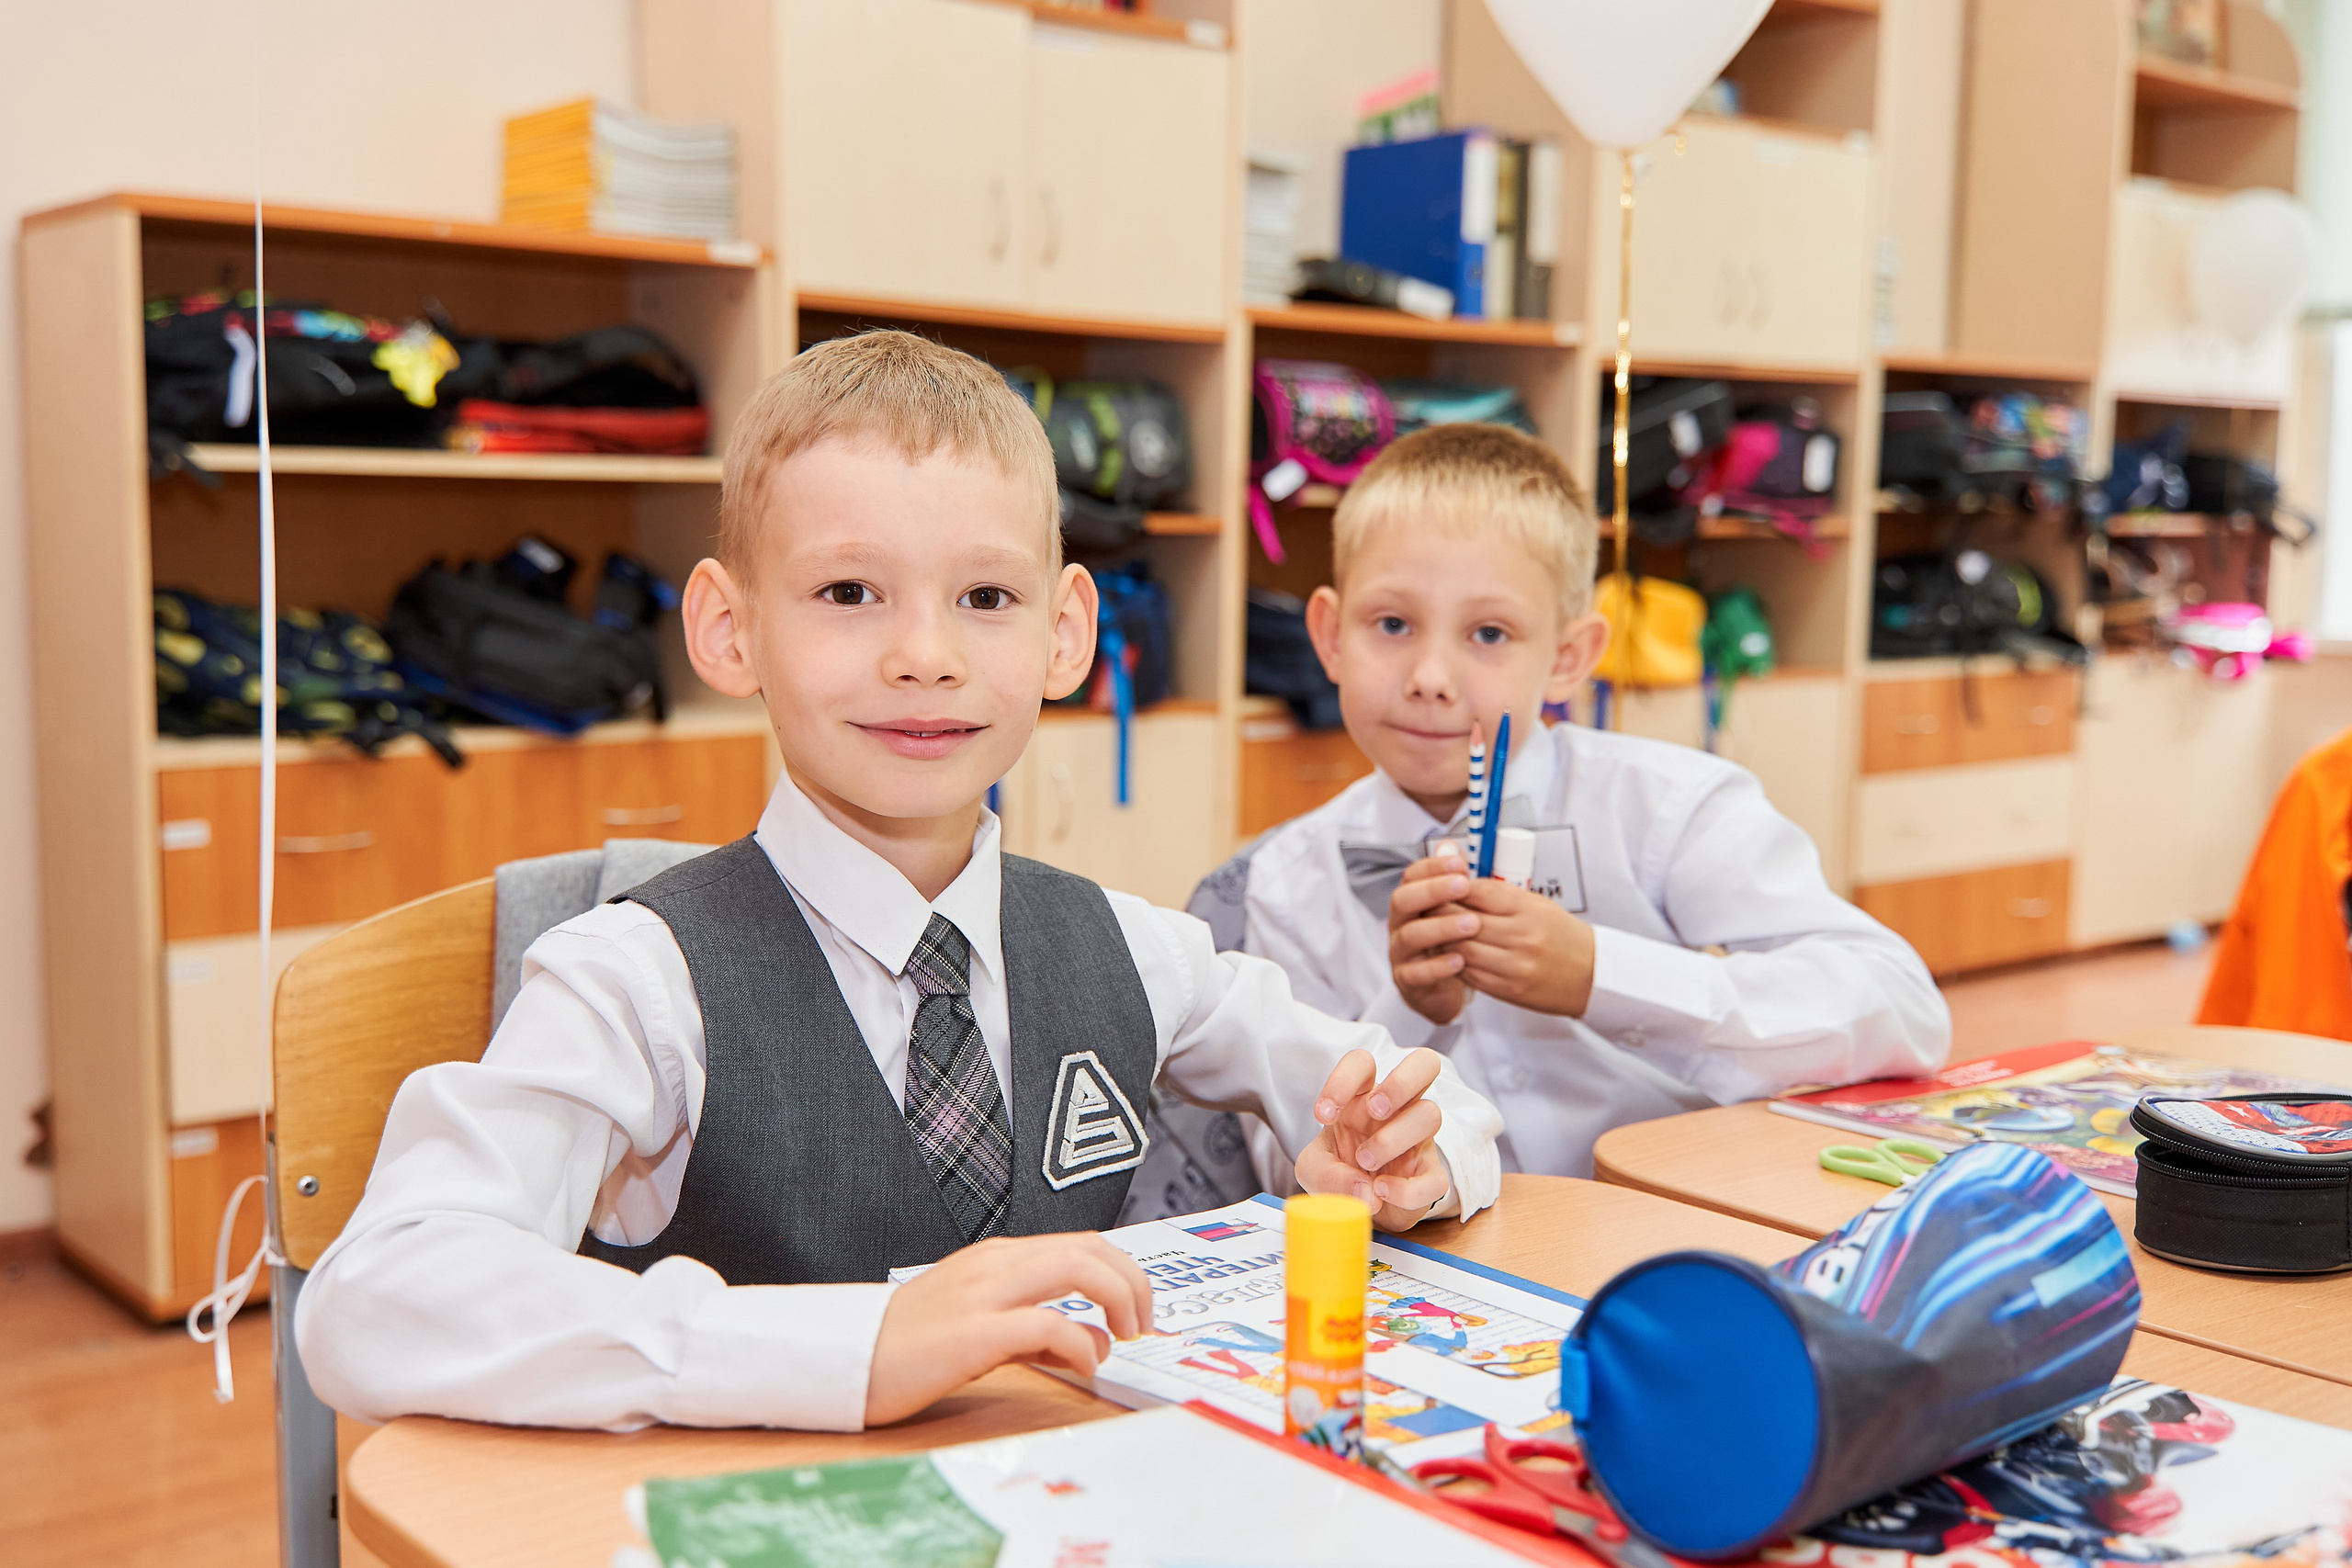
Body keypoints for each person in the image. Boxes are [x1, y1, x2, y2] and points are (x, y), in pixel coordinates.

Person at [295, 332, 1503, 1433]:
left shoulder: (1138, 949)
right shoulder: (638, 980)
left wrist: (1413, 1144)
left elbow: (1419, 1093)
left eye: (985, 597)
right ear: (729, 630)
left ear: (1066, 635)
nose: (924, 656)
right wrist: (848, 1344)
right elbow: (377, 1290)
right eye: (848, 592)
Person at [1198, 422, 1948, 1184]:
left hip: (1677, 1228)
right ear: (1328, 634)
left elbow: (1903, 1009)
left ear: (1567, 658)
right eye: (1392, 624)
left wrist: (1598, 972)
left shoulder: (1669, 807)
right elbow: (1284, 1162)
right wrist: (1410, 1007)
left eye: (1488, 632)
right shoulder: (1287, 880)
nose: (1430, 674)